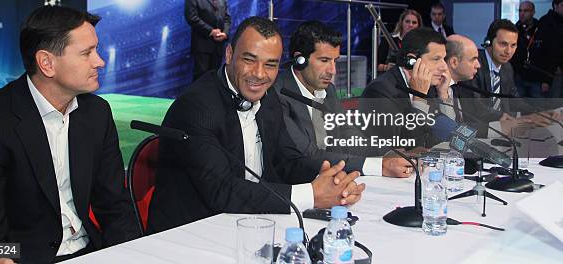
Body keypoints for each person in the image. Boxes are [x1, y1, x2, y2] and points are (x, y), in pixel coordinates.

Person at [0, 6, 141, 263]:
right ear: (47, 63)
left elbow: (114, 204)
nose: (100, 61)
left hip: (91, 250)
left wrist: (133, 254)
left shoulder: (97, 113)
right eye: (87, 53)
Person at [147, 17, 366, 234]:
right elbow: (222, 190)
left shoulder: (268, 97)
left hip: (251, 223)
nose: (260, 74)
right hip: (189, 235)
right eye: (250, 60)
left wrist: (332, 180)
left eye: (271, 64)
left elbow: (286, 161)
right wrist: (311, 195)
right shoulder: (196, 107)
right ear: (230, 55)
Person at [274, 21, 413, 178]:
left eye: (335, 61)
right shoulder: (278, 93)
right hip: (296, 186)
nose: (333, 71)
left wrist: (390, 152)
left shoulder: (329, 90)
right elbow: (307, 155)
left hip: (333, 179)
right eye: (324, 60)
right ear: (300, 60)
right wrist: (379, 166)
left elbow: (349, 135)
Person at [362, 28, 455, 150]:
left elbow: (450, 136)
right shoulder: (380, 91)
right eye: (436, 59)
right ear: (412, 61)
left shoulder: (431, 87)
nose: (444, 67)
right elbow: (407, 147)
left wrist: (443, 95)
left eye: (444, 59)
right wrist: (419, 99)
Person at [184, 0, 232, 81]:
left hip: (219, 46)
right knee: (201, 77)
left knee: (216, 77)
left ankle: (212, 99)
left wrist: (225, 33)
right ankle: (197, 99)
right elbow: (192, 17)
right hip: (202, 45)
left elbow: (227, 18)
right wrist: (211, 31)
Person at [510, 1, 543, 98]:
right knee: (519, 107)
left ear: (533, 12)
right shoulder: (514, 30)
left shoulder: (541, 28)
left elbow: (547, 54)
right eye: (520, 10)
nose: (522, 13)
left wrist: (546, 80)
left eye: (526, 11)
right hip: (519, 76)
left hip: (537, 77)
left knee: (538, 108)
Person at [534, 0, 563, 98]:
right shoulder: (545, 22)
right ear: (555, 6)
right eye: (562, 5)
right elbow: (541, 52)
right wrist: (546, 79)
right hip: (551, 73)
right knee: (553, 107)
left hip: (556, 70)